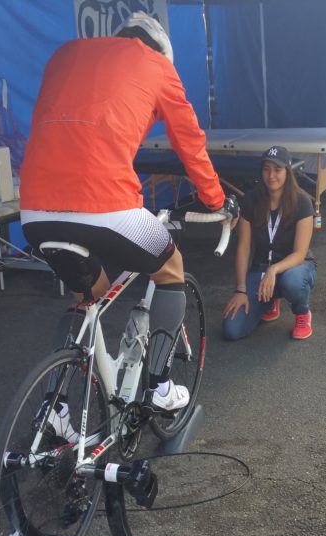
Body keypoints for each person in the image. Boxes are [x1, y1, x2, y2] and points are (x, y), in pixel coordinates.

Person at [18, 12, 235, 416]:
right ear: (162, 52)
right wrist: (216, 202)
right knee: (171, 267)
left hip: (34, 210)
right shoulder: (157, 66)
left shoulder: (65, 55)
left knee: (88, 296)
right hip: (109, 206)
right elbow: (189, 141)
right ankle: (160, 386)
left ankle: (56, 411)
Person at [222, 146, 316, 341]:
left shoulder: (302, 202)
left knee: (292, 282)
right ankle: (270, 299)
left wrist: (274, 270)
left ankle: (302, 313)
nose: (271, 175)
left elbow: (300, 253)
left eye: (277, 169)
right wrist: (241, 289)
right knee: (232, 330)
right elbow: (244, 247)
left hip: (295, 266)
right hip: (261, 269)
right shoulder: (250, 201)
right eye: (266, 169)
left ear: (287, 172)